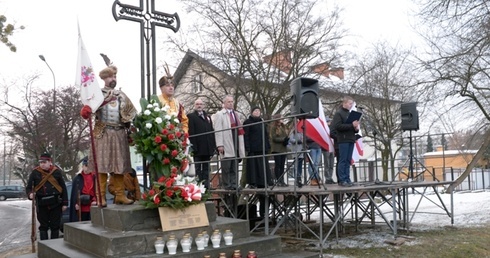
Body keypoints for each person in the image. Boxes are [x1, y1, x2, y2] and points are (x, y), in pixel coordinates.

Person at [85, 65, 137, 205]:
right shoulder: (97, 94)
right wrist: (85, 111)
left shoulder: (121, 95)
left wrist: (132, 128)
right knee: (102, 165)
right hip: (103, 132)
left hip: (119, 133)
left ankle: (120, 194)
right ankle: (100, 196)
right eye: (110, 77)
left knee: (119, 165)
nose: (113, 79)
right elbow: (88, 110)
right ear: (104, 78)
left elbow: (131, 113)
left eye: (114, 76)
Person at [26, 153, 68, 240]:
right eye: (41, 162)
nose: (42, 164)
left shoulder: (56, 172)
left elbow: (63, 188)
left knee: (55, 226)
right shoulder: (35, 173)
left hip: (55, 203)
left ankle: (54, 247)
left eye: (44, 162)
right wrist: (30, 194)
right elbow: (29, 187)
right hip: (41, 204)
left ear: (50, 162)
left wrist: (64, 203)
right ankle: (44, 246)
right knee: (43, 226)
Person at [212, 95, 245, 190]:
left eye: (232, 101)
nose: (231, 103)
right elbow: (217, 130)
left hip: (235, 140)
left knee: (234, 165)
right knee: (226, 166)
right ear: (224, 103)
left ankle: (234, 184)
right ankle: (227, 185)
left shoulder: (236, 114)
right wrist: (220, 145)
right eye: (229, 102)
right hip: (226, 141)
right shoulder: (220, 114)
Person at [187, 98, 216, 189]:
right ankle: (199, 186)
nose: (199, 105)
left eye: (201, 104)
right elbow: (191, 132)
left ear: (203, 105)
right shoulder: (191, 116)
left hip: (207, 147)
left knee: (207, 168)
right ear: (195, 106)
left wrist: (213, 146)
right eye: (197, 104)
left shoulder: (207, 117)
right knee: (198, 169)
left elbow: (211, 131)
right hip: (198, 148)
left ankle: (206, 186)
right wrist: (194, 147)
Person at [331, 96, 360, 187]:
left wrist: (356, 128)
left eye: (352, 103)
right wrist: (351, 125)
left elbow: (352, 128)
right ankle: (342, 179)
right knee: (342, 160)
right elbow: (338, 126)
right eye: (350, 103)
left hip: (351, 138)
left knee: (348, 160)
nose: (351, 105)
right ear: (344, 103)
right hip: (343, 139)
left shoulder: (350, 113)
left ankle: (347, 178)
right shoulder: (339, 113)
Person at [243, 107, 272, 188]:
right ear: (252, 112)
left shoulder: (262, 122)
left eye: (258, 111)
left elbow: (266, 134)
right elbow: (246, 135)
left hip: (262, 147)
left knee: (263, 165)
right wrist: (247, 146)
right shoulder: (248, 122)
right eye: (255, 111)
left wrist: (267, 145)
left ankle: (264, 181)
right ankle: (253, 182)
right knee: (253, 166)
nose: (257, 112)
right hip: (253, 148)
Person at [69, 158, 96, 222]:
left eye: (89, 166)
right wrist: (76, 203)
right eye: (86, 166)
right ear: (83, 166)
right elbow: (74, 193)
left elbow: (96, 191)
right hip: (81, 206)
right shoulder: (77, 178)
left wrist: (95, 200)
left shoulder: (95, 177)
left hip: (92, 205)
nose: (87, 168)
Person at [269, 114, 289, 187]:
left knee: (282, 165)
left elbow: (286, 135)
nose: (282, 119)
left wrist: (286, 140)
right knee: (278, 165)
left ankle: (282, 180)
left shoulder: (283, 126)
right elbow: (274, 138)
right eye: (281, 118)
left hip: (283, 148)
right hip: (277, 149)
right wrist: (283, 139)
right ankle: (278, 180)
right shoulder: (273, 127)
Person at [322, 117, 336, 184]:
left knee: (331, 164)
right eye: (328, 121)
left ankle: (330, 177)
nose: (329, 123)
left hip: (332, 148)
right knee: (327, 164)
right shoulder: (324, 129)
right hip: (326, 148)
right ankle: (327, 178)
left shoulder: (332, 129)